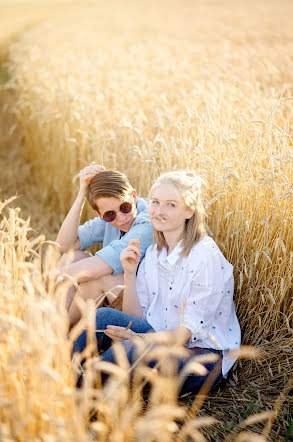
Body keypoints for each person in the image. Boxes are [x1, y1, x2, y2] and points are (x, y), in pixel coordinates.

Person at [73, 170, 241, 395]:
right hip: (158, 333)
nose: (159, 211)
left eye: (171, 205)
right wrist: (130, 274)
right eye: (155, 202)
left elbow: (183, 336)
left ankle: (74, 390)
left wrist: (139, 338)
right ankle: (55, 368)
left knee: (127, 349)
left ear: (189, 210)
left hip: (200, 358)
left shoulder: (204, 257)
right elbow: (137, 317)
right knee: (100, 317)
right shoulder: (154, 252)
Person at [56, 165, 153, 328]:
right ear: (99, 215)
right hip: (119, 293)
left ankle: (60, 330)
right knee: (73, 257)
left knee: (97, 277)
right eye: (109, 215)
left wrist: (47, 276)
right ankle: (55, 324)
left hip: (142, 303)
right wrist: (81, 196)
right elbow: (63, 245)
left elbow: (96, 269)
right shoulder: (110, 220)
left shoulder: (148, 221)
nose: (121, 218)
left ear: (134, 196)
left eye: (125, 207)